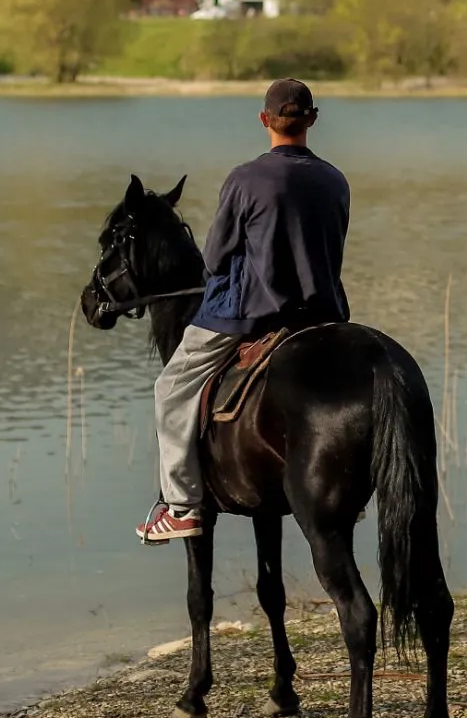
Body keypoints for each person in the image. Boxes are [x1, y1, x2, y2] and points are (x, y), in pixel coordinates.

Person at [135, 78, 352, 542]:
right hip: (324, 313)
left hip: (250, 314)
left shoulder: (246, 178)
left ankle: (180, 506)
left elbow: (214, 258)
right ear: (312, 120)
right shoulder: (336, 180)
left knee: (171, 388)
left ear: (264, 120)